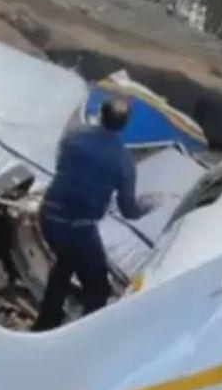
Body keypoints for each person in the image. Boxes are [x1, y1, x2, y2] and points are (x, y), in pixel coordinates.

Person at [32, 98, 156, 331]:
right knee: (98, 288)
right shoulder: (123, 161)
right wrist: (149, 204)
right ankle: (85, 335)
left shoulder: (74, 137)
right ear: (125, 124)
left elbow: (61, 165)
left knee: (65, 264)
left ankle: (46, 322)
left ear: (100, 114)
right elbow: (129, 211)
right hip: (78, 228)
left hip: (48, 215)